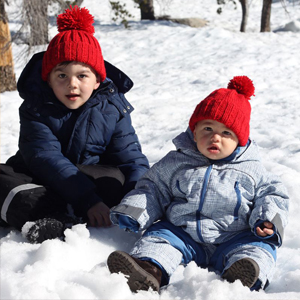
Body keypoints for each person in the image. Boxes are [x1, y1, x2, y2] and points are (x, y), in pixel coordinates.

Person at [107, 76, 289, 292]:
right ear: (194, 132)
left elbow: (273, 194)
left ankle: (245, 274)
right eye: (208, 129)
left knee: (258, 248)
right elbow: (152, 188)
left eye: (226, 133)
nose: (215, 138)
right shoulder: (176, 162)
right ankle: (149, 270)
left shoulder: (251, 169)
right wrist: (135, 211)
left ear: (239, 140)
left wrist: (267, 220)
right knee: (158, 239)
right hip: (183, 233)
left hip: (234, 236)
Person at [0, 6, 149, 243]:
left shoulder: (112, 108)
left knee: (116, 180)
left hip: (88, 178)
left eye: (82, 76)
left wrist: (136, 198)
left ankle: (67, 210)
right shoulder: (36, 107)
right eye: (61, 76)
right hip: (41, 177)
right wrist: (87, 200)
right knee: (4, 179)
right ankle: (50, 220)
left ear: (98, 79)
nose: (72, 84)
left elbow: (131, 158)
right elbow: (44, 157)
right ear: (48, 80)